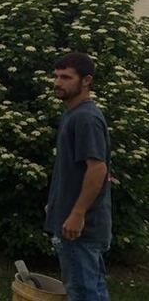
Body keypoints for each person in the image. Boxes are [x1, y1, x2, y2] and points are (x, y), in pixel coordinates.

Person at [46, 52, 112, 300]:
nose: (57, 83)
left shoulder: (85, 118)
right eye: (55, 76)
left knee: (84, 293)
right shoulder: (72, 114)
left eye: (65, 77)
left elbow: (98, 169)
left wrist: (77, 213)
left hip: (81, 229)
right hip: (71, 219)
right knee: (90, 289)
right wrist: (55, 203)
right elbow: (73, 170)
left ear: (86, 81)